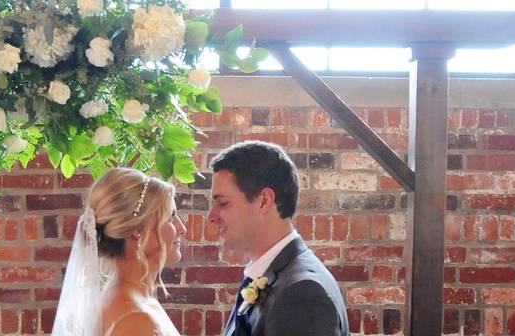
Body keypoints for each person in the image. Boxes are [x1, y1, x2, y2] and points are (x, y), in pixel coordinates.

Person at [208, 141, 348, 336]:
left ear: (264, 201)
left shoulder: (302, 295)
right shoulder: (272, 276)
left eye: (222, 203)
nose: (211, 216)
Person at [52, 167, 188, 336]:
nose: (182, 229)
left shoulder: (138, 299)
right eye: (170, 217)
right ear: (137, 230)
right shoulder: (135, 321)